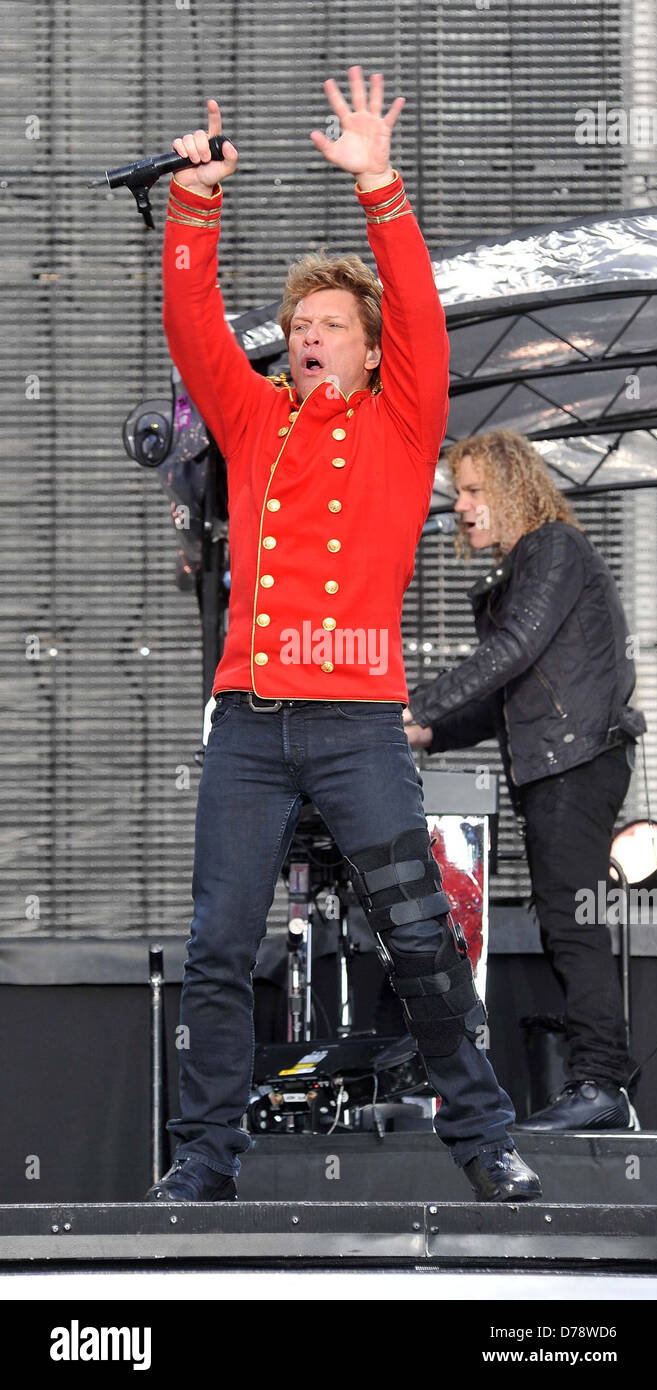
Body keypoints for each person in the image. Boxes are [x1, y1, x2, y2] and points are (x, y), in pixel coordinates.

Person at [144, 68, 541, 1203]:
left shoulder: (403, 421)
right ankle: (204, 1159)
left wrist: (381, 187)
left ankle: (483, 1139)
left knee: (420, 938)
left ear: (369, 350)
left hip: (359, 724)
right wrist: (196, 204)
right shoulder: (254, 417)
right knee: (219, 948)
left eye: (330, 327)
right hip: (252, 726)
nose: (308, 339)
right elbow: (190, 326)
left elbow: (419, 309)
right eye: (299, 326)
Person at [404, 429, 645, 1131]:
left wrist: (414, 706)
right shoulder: (524, 568)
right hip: (553, 764)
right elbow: (502, 696)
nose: (463, 507)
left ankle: (601, 1082)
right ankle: (598, 1083)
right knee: (566, 925)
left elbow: (512, 652)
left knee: (573, 927)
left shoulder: (553, 547)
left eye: (476, 491)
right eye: (460, 494)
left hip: (575, 762)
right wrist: (429, 730)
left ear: (513, 487)